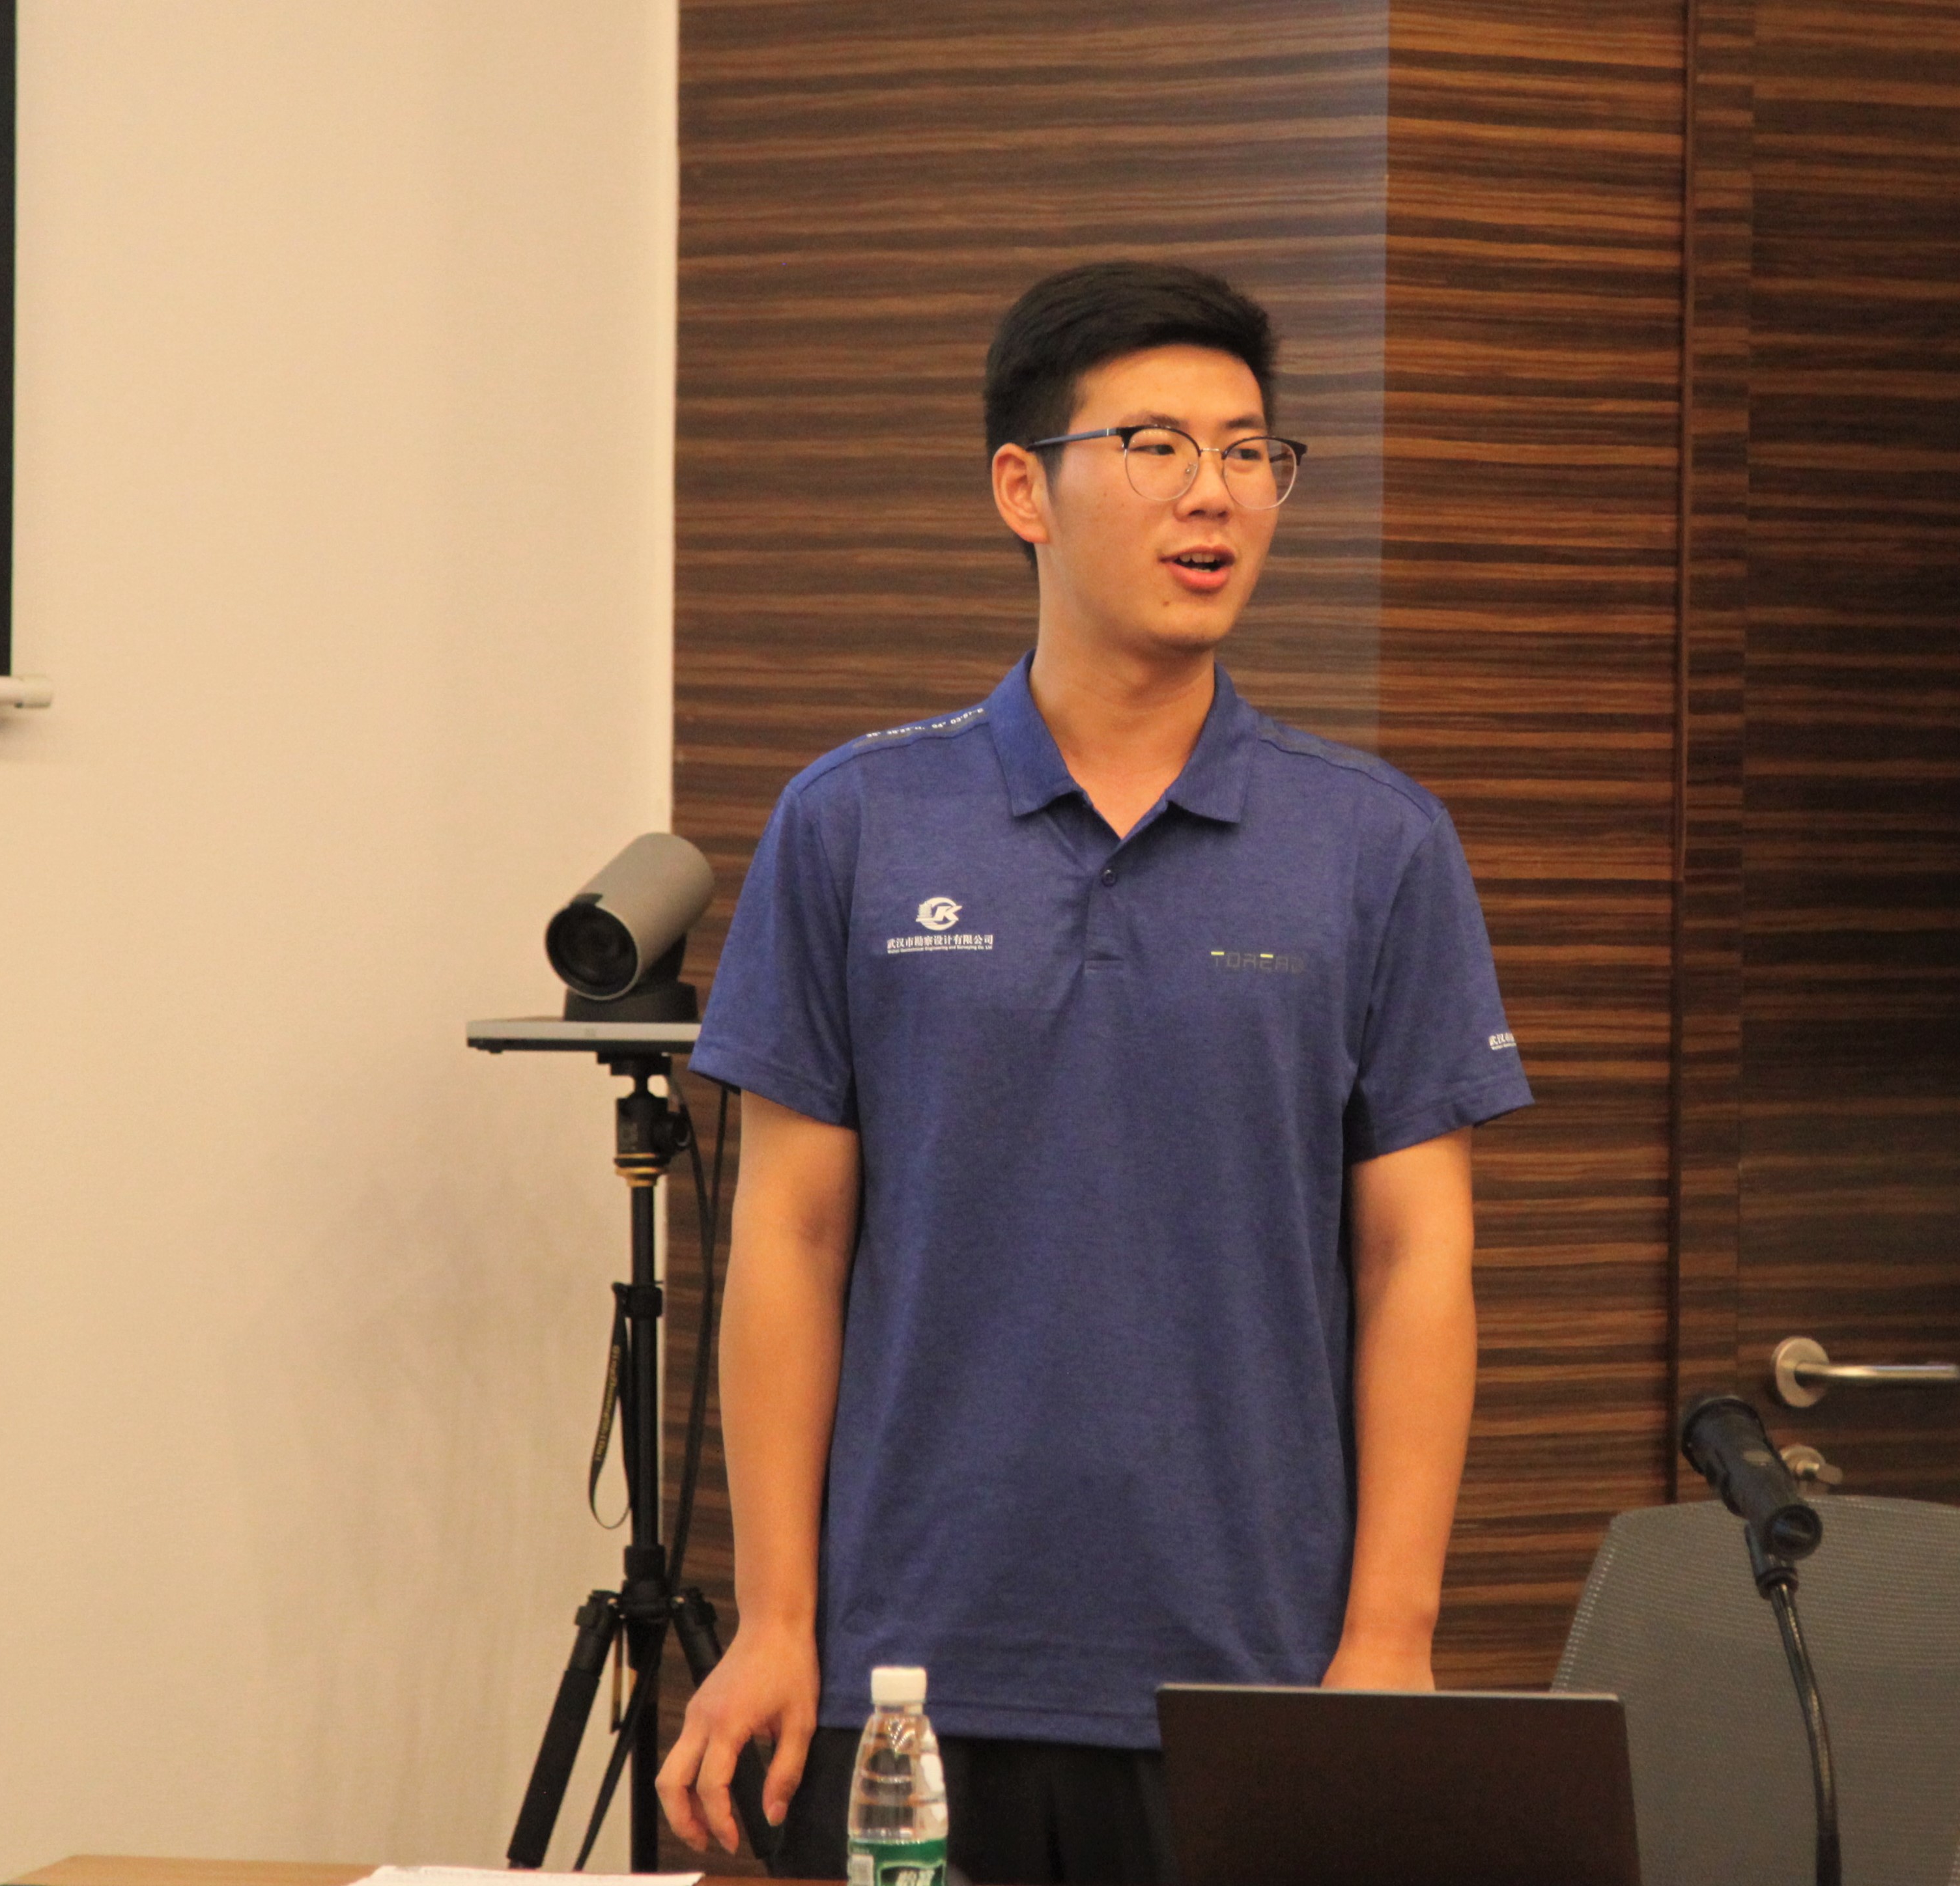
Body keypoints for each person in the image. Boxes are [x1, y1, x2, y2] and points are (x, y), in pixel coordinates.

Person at [655, 260, 1531, 1883]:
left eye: (1251, 452)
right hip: (905, 1679)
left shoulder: (1375, 842)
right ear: (1023, 490)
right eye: (1155, 445)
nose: (1216, 493)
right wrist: (775, 1616)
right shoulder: (853, 823)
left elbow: (1420, 1256)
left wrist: (1390, 1637)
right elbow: (788, 1236)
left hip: (1257, 1673)